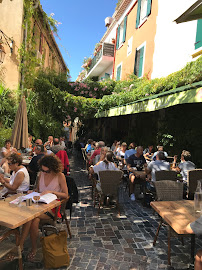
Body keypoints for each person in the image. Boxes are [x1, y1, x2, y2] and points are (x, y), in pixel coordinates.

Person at [19, 154, 69, 260]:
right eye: (43, 170)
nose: (44, 173)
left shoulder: (60, 176)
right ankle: (32, 248)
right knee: (34, 219)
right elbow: (38, 190)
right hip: (39, 205)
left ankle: (21, 245)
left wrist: (51, 191)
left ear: (53, 168)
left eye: (47, 171)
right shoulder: (41, 174)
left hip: (53, 208)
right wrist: (32, 192)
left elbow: (66, 195)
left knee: (30, 216)